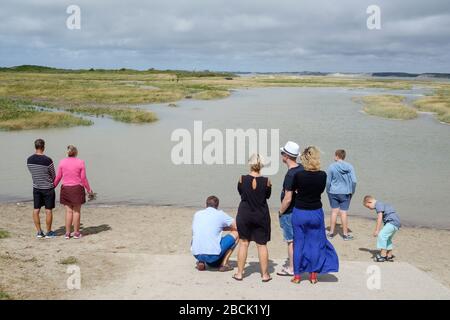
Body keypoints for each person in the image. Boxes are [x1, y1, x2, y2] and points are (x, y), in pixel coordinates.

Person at [291, 146, 339, 284]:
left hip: (300, 211)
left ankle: (297, 276)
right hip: (316, 212)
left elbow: (294, 190)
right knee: (314, 244)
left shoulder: (298, 175)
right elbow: (320, 191)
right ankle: (313, 276)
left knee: (299, 244)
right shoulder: (322, 175)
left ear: (304, 159)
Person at [233, 154, 272, 282]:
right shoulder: (267, 181)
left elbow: (241, 193)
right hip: (261, 214)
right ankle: (265, 275)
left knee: (244, 243)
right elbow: (267, 196)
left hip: (245, 214)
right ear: (261, 165)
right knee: (262, 245)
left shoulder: (241, 178)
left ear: (250, 164)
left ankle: (239, 273)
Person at [54, 145, 94, 239]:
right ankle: (76, 233)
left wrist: (53, 186)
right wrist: (89, 189)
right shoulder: (81, 162)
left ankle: (67, 233)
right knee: (76, 212)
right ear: (76, 153)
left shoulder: (62, 162)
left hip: (66, 189)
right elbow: (83, 178)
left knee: (68, 212)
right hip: (77, 189)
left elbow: (58, 177)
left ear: (67, 153)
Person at [277, 141, 304, 277]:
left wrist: (280, 211)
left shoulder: (290, 174)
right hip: (300, 209)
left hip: (290, 211)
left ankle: (292, 268)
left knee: (290, 241)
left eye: (283, 153)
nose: (281, 155)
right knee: (299, 239)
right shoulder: (302, 168)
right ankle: (299, 264)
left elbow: (288, 198)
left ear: (286, 156)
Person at [191, 196, 239, 272]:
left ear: (206, 205)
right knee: (237, 233)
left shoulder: (197, 214)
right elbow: (237, 226)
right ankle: (224, 263)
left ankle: (201, 261)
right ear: (217, 205)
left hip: (196, 254)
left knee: (198, 235)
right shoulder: (220, 214)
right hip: (213, 256)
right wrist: (227, 228)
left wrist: (221, 228)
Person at [26, 139, 57, 239]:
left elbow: (32, 172)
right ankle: (48, 232)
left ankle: (39, 232)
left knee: (36, 210)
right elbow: (53, 175)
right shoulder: (48, 160)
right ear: (43, 147)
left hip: (36, 187)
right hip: (48, 188)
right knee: (48, 210)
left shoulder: (29, 159)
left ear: (35, 147)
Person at [326, 149, 357, 241]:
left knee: (334, 212)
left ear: (337, 156)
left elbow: (328, 181)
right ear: (344, 156)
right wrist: (352, 191)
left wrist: (328, 190)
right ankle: (345, 235)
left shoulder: (331, 166)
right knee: (343, 212)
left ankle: (331, 233)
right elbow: (354, 181)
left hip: (333, 192)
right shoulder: (350, 166)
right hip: (346, 192)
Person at [363, 195, 401, 262]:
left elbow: (379, 218)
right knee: (388, 238)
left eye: (368, 206)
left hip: (391, 222)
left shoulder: (378, 204)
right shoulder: (382, 204)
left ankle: (382, 256)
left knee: (382, 235)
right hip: (396, 223)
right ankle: (389, 255)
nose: (369, 208)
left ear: (370, 201)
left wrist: (377, 230)